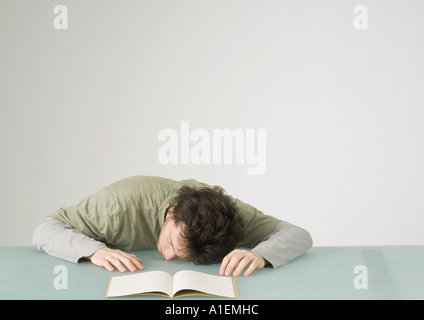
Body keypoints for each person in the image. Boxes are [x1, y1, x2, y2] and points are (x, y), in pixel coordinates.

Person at [33, 176, 312, 277]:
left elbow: (299, 234)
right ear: (172, 212)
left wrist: (259, 254)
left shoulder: (232, 216)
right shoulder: (116, 207)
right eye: (171, 243)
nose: (167, 257)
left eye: (182, 257)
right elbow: (45, 228)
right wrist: (93, 251)